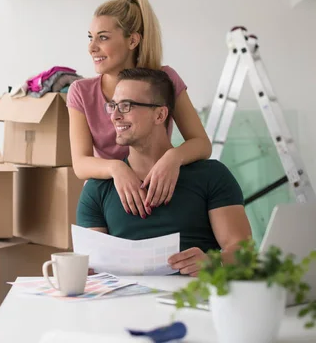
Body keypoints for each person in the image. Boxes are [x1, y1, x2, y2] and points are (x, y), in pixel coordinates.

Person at [76, 68, 252, 276]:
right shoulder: (98, 188)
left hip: (195, 300)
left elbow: (243, 252)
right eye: (113, 106)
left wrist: (214, 262)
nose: (114, 116)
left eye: (126, 106)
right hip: (124, 305)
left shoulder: (211, 175)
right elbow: (92, 268)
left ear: (160, 114)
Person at [67, 0, 211, 218]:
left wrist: (173, 158)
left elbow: (202, 144)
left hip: (160, 187)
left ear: (132, 41)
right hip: (109, 194)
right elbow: (80, 164)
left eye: (102, 38)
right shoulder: (81, 92)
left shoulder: (165, 79)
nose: (91, 48)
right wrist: (117, 169)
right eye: (90, 37)